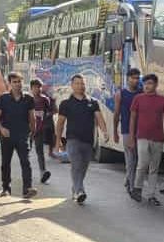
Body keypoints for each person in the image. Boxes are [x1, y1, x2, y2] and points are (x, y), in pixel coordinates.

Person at [56, 74, 108, 204]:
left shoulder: (92, 102)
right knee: (76, 164)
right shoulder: (66, 104)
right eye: (77, 83)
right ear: (72, 85)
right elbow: (60, 123)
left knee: (83, 168)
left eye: (82, 83)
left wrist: (105, 132)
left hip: (88, 141)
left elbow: (99, 118)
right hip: (72, 140)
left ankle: (76, 188)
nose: (80, 86)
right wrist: (58, 140)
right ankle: (80, 191)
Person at [127, 73, 164, 205]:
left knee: (154, 168)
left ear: (156, 85)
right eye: (145, 83)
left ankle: (151, 194)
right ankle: (137, 188)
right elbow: (133, 119)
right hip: (142, 137)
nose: (147, 86)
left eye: (150, 83)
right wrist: (131, 137)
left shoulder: (163, 100)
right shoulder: (138, 99)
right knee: (142, 164)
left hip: (158, 138)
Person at [0, 73, 38, 198]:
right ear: (9, 83)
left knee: (26, 162)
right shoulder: (3, 99)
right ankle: (6, 188)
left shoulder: (28, 99)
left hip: (22, 135)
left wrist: (33, 131)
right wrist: (1, 129)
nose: (17, 84)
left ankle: (27, 189)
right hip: (7, 136)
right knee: (5, 163)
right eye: (14, 81)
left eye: (19, 81)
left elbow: (32, 116)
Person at [113, 68, 142, 199]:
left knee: (135, 159)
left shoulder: (141, 93)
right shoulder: (121, 94)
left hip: (140, 131)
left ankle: (128, 179)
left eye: (137, 78)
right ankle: (130, 185)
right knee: (131, 159)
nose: (135, 80)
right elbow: (116, 113)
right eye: (133, 78)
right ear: (128, 78)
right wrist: (115, 131)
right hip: (126, 130)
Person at [29, 79, 54, 184]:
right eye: (35, 87)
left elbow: (52, 111)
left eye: (39, 87)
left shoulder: (45, 100)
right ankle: (26, 175)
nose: (37, 89)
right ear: (31, 88)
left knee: (40, 152)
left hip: (40, 129)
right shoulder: (27, 100)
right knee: (25, 153)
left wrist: (45, 116)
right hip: (28, 130)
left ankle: (43, 172)